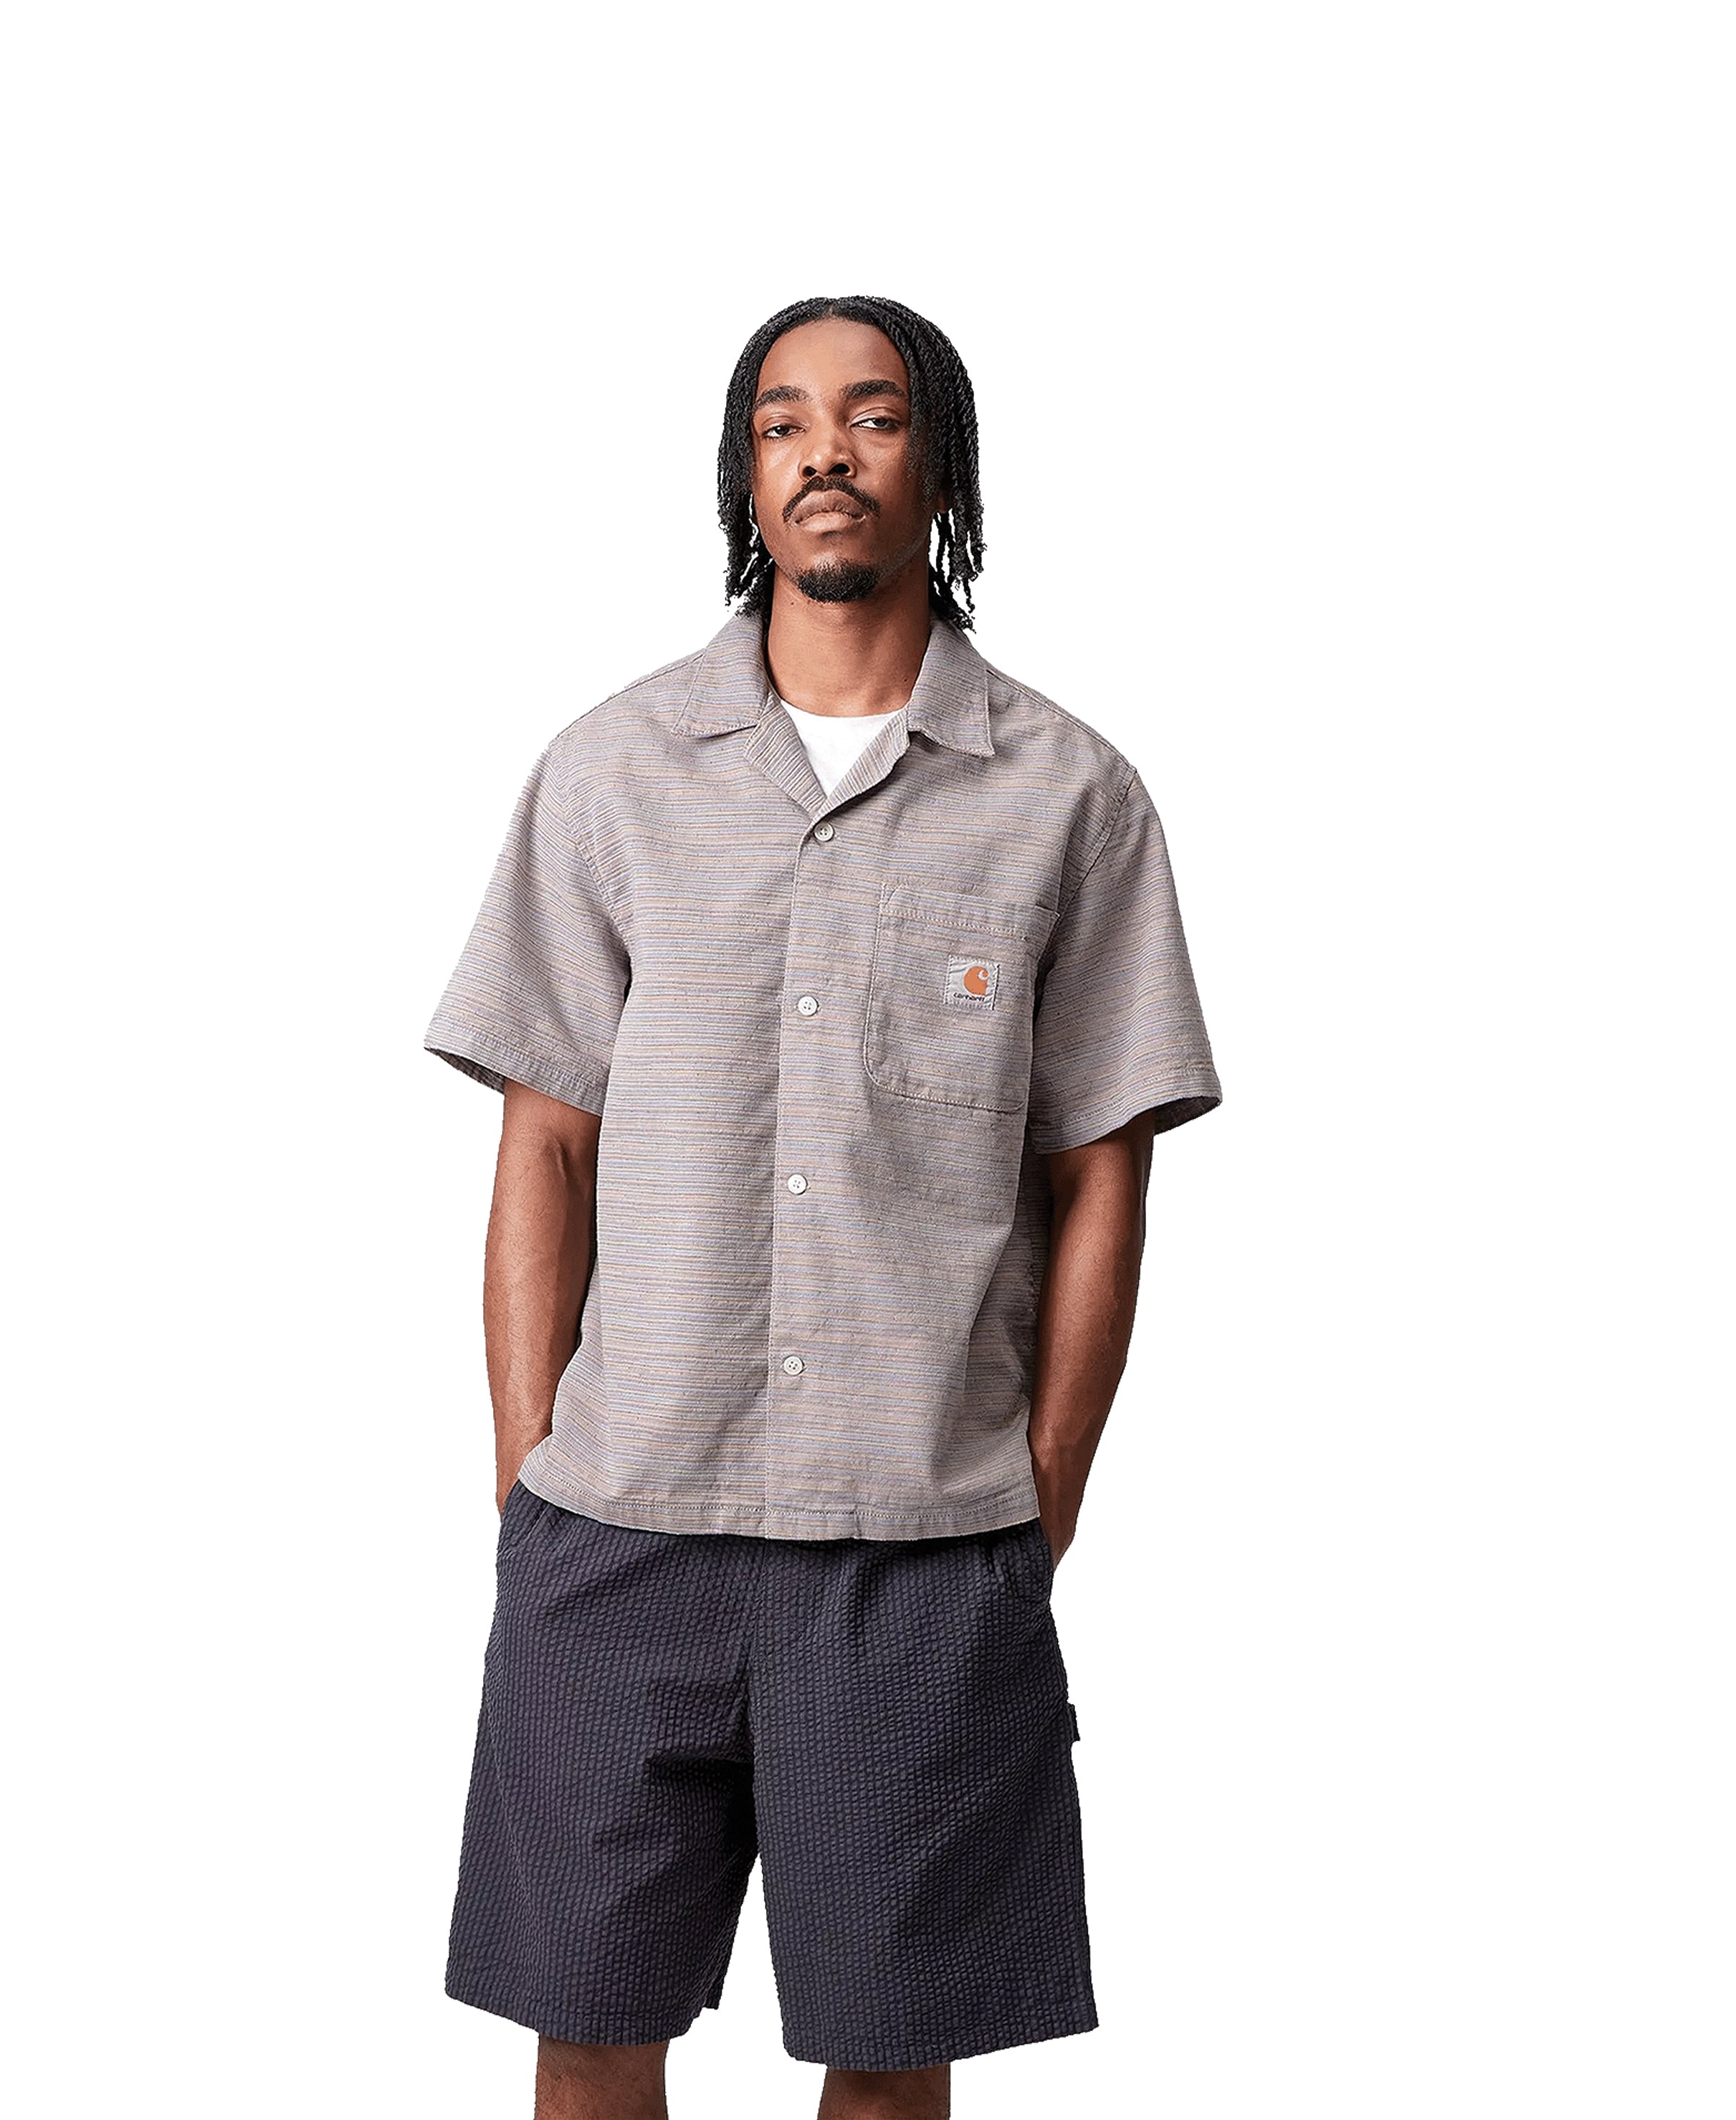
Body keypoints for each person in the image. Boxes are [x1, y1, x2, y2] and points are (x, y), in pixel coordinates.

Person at [424, 294, 1222, 2120]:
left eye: (870, 415)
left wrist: (1043, 1496)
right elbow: (544, 1145)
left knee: (888, 2053)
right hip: (620, 1527)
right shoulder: (613, 771)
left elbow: (1103, 1173)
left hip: (921, 1544)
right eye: (782, 424)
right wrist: (527, 1474)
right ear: (745, 474)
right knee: (588, 2027)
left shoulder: (1070, 799)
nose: (824, 455)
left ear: (938, 463)